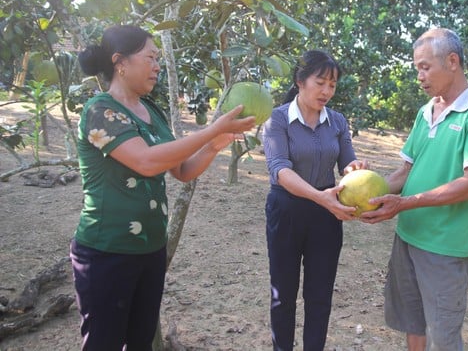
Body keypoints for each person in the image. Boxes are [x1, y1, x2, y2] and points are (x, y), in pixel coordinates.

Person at [70, 24, 256, 351]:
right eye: (150, 58)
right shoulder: (101, 110)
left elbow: (181, 170)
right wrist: (211, 130)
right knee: (104, 343)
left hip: (150, 250)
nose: (157, 66)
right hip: (107, 251)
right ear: (119, 62)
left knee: (141, 341)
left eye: (158, 58)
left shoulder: (151, 110)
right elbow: (145, 162)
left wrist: (215, 145)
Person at [361, 28, 468, 351]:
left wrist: (406, 203)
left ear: (452, 61)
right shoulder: (425, 112)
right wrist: (367, 189)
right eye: (417, 69)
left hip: (445, 246)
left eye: (425, 67)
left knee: (443, 335)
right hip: (408, 237)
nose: (420, 76)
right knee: (412, 323)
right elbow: (406, 171)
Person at [262, 49, 368, 351]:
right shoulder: (276, 119)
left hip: (326, 215)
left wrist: (355, 169)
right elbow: (279, 169)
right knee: (283, 293)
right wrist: (319, 197)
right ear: (300, 81)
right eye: (320, 82)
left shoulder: (337, 121)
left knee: (319, 295)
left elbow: (347, 161)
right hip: (287, 209)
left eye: (332, 85)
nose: (327, 91)